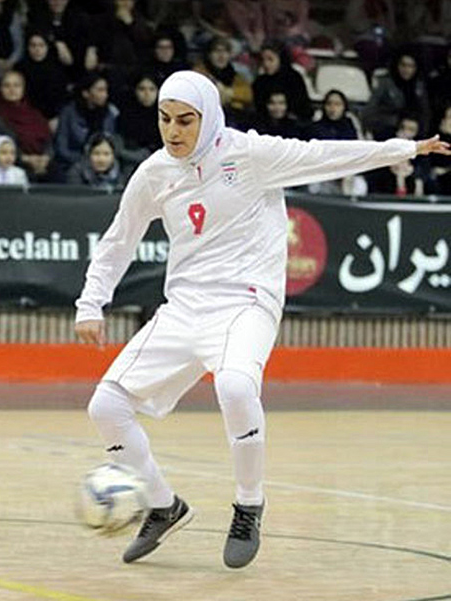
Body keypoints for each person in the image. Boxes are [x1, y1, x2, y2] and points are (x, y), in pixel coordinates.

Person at [74, 70, 449, 569]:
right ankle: (164, 507)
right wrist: (89, 303)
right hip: (184, 307)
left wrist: (403, 149)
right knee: (106, 407)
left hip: (247, 302)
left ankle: (249, 504)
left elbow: (323, 154)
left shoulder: (249, 154)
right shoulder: (155, 173)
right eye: (165, 119)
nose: (174, 131)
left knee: (233, 386)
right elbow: (119, 240)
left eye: (186, 120)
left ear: (208, 117)